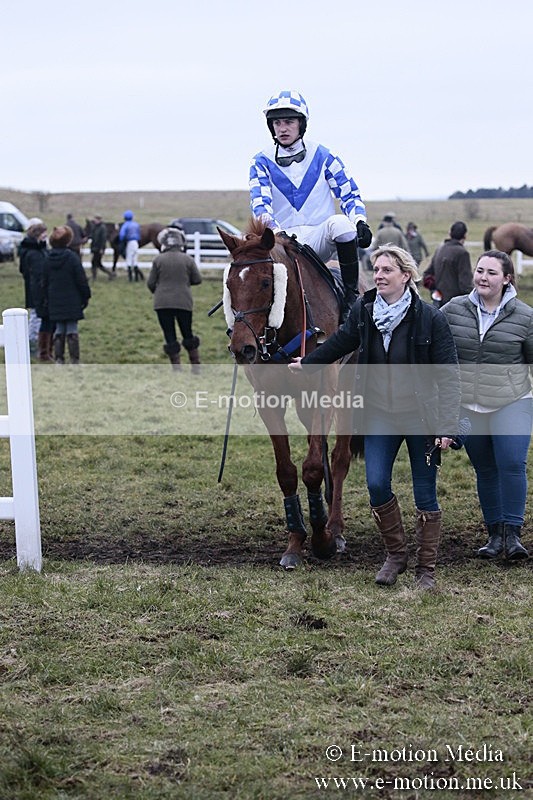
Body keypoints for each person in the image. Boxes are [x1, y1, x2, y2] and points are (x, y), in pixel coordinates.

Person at [289, 245, 461, 590]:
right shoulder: (365, 311)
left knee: (424, 492)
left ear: (405, 276)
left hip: (421, 417)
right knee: (377, 485)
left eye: (386, 270)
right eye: (377, 269)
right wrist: (307, 365)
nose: (379, 275)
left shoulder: (430, 317)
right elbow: (341, 341)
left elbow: (449, 375)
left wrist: (448, 424)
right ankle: (395, 556)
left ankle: (426, 569)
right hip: (380, 414)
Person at [249, 89, 372, 321]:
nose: (282, 128)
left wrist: (359, 221)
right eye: (276, 123)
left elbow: (348, 193)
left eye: (289, 121)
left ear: (301, 124)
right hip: (284, 245)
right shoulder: (260, 161)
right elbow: (260, 206)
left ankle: (350, 298)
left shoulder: (324, 155)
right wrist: (277, 234)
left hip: (318, 239)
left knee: (342, 224)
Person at [441, 250, 532, 561]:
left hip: (512, 400)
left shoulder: (525, 316)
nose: (483, 277)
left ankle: (514, 535)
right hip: (469, 405)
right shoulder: (453, 309)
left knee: (511, 463)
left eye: (491, 273)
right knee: (486, 469)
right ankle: (494, 535)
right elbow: (434, 342)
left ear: (506, 279)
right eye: (480, 271)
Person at [147, 227, 202, 371]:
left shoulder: (158, 259)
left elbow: (150, 283)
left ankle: (176, 368)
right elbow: (197, 279)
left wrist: (158, 291)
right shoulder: (188, 259)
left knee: (169, 334)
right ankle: (195, 365)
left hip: (162, 303)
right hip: (184, 301)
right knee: (187, 332)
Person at [43, 226, 91, 364]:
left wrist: (45, 298)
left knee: (59, 328)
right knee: (71, 329)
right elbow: (81, 279)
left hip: (54, 298)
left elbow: (44, 281)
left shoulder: (47, 258)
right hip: (72, 298)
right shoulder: (72, 258)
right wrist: (86, 295)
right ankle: (74, 359)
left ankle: (59, 358)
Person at [18, 222, 54, 361]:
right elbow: (38, 273)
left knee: (36, 316)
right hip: (36, 290)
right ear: (38, 235)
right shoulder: (33, 254)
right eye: (44, 233)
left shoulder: (37, 250)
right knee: (35, 317)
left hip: (35, 288)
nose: (46, 235)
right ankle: (32, 344)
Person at [424, 221, 473, 307]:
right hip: (455, 304)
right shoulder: (462, 253)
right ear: (465, 236)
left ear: (450, 233)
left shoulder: (440, 249)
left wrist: (435, 290)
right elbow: (465, 284)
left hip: (438, 300)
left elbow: (427, 275)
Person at [119, 210, 143, 282]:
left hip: (129, 242)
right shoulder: (136, 224)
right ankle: (136, 278)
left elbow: (122, 235)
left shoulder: (125, 225)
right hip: (136, 242)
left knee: (129, 259)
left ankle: (130, 278)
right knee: (135, 259)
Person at [89, 214, 113, 281]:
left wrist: (102, 248)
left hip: (99, 249)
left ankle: (95, 277)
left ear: (99, 220)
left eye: (96, 219)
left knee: (95, 263)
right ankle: (109, 274)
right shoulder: (96, 227)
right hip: (95, 248)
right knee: (97, 263)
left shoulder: (102, 228)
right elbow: (93, 236)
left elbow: (103, 239)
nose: (95, 221)